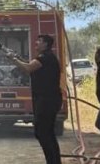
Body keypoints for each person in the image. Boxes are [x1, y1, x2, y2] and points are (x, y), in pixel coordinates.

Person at [9, 35, 62, 164]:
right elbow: (30, 64)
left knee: (42, 133)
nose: (36, 42)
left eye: (40, 41)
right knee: (48, 133)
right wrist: (17, 58)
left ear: (46, 44)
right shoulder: (46, 57)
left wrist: (13, 59)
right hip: (49, 100)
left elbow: (28, 68)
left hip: (47, 101)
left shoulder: (45, 57)